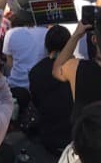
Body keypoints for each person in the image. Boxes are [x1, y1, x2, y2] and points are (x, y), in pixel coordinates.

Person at [28, 25, 75, 154]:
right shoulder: (77, 69)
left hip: (47, 137)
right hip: (74, 139)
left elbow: (36, 101)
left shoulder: (36, 71)